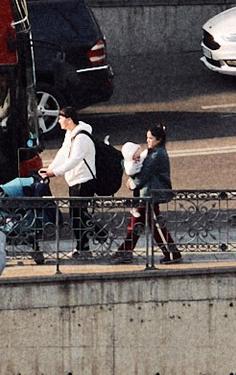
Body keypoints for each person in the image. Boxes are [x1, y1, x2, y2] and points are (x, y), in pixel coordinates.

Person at [117, 120, 183, 266]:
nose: (148, 141)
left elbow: (145, 174)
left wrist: (132, 183)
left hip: (150, 195)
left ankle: (172, 253)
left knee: (152, 225)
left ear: (158, 140)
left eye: (151, 138)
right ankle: (125, 251)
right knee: (140, 223)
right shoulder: (155, 152)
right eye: (147, 138)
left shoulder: (156, 155)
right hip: (147, 195)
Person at [47, 107, 102, 261]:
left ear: (69, 119)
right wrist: (50, 168)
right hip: (75, 180)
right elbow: (63, 152)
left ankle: (85, 246)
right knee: (78, 215)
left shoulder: (81, 138)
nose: (58, 121)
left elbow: (75, 159)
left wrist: (55, 173)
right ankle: (87, 244)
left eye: (60, 118)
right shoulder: (70, 134)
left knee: (78, 215)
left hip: (84, 181)